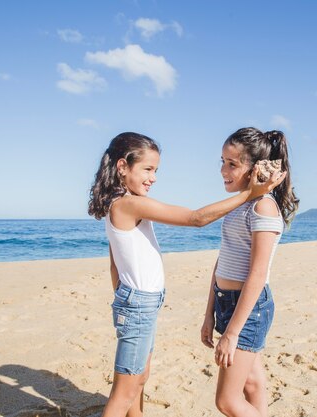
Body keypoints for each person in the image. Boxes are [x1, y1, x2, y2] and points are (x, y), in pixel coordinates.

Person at [87, 132, 285, 417]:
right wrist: (249, 193)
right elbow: (195, 219)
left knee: (137, 380)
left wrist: (125, 295)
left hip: (138, 301)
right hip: (139, 304)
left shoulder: (120, 203)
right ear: (122, 167)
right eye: (148, 169)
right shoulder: (129, 204)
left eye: (155, 170)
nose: (153, 177)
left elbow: (114, 263)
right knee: (127, 389)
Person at [200, 127, 299, 417]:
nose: (223, 170)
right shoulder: (237, 205)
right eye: (222, 161)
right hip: (226, 302)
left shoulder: (263, 208)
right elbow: (222, 261)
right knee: (253, 384)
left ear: (255, 168)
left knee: (227, 401)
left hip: (249, 308)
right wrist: (209, 314)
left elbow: (257, 275)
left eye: (232, 163)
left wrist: (231, 333)